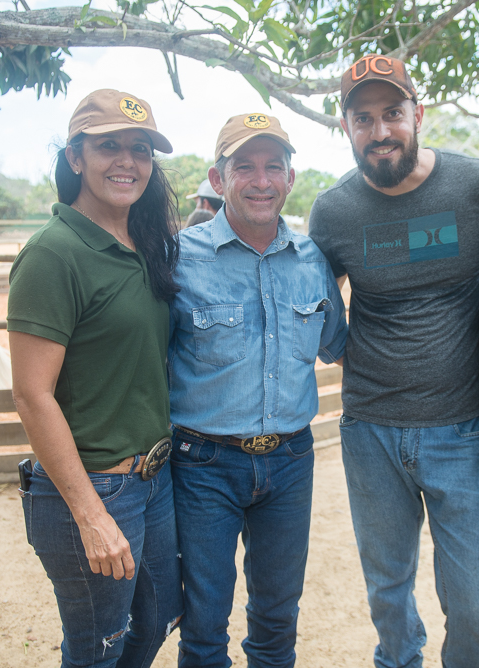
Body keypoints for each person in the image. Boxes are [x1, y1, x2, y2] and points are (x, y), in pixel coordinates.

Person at [308, 54, 479, 668]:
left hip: (460, 427)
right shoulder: (333, 210)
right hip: (369, 428)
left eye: (392, 112)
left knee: (473, 600)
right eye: (362, 118)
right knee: (389, 590)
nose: (380, 130)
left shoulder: (478, 186)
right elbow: (312, 297)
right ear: (347, 128)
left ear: (417, 114)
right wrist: (339, 347)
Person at [8, 89, 184, 668]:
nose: (127, 161)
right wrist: (91, 515)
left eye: (140, 149)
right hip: (95, 488)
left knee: (153, 624)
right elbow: (32, 394)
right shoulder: (54, 254)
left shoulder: (145, 244)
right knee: (97, 649)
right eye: (109, 146)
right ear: (75, 157)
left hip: (151, 481)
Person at [168, 112, 347, 667]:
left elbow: (337, 343)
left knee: (277, 616)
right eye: (244, 166)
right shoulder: (178, 259)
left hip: (291, 460)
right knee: (204, 620)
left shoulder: (313, 261)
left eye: (274, 166)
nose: (261, 179)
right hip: (203, 464)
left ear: (291, 178)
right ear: (218, 180)